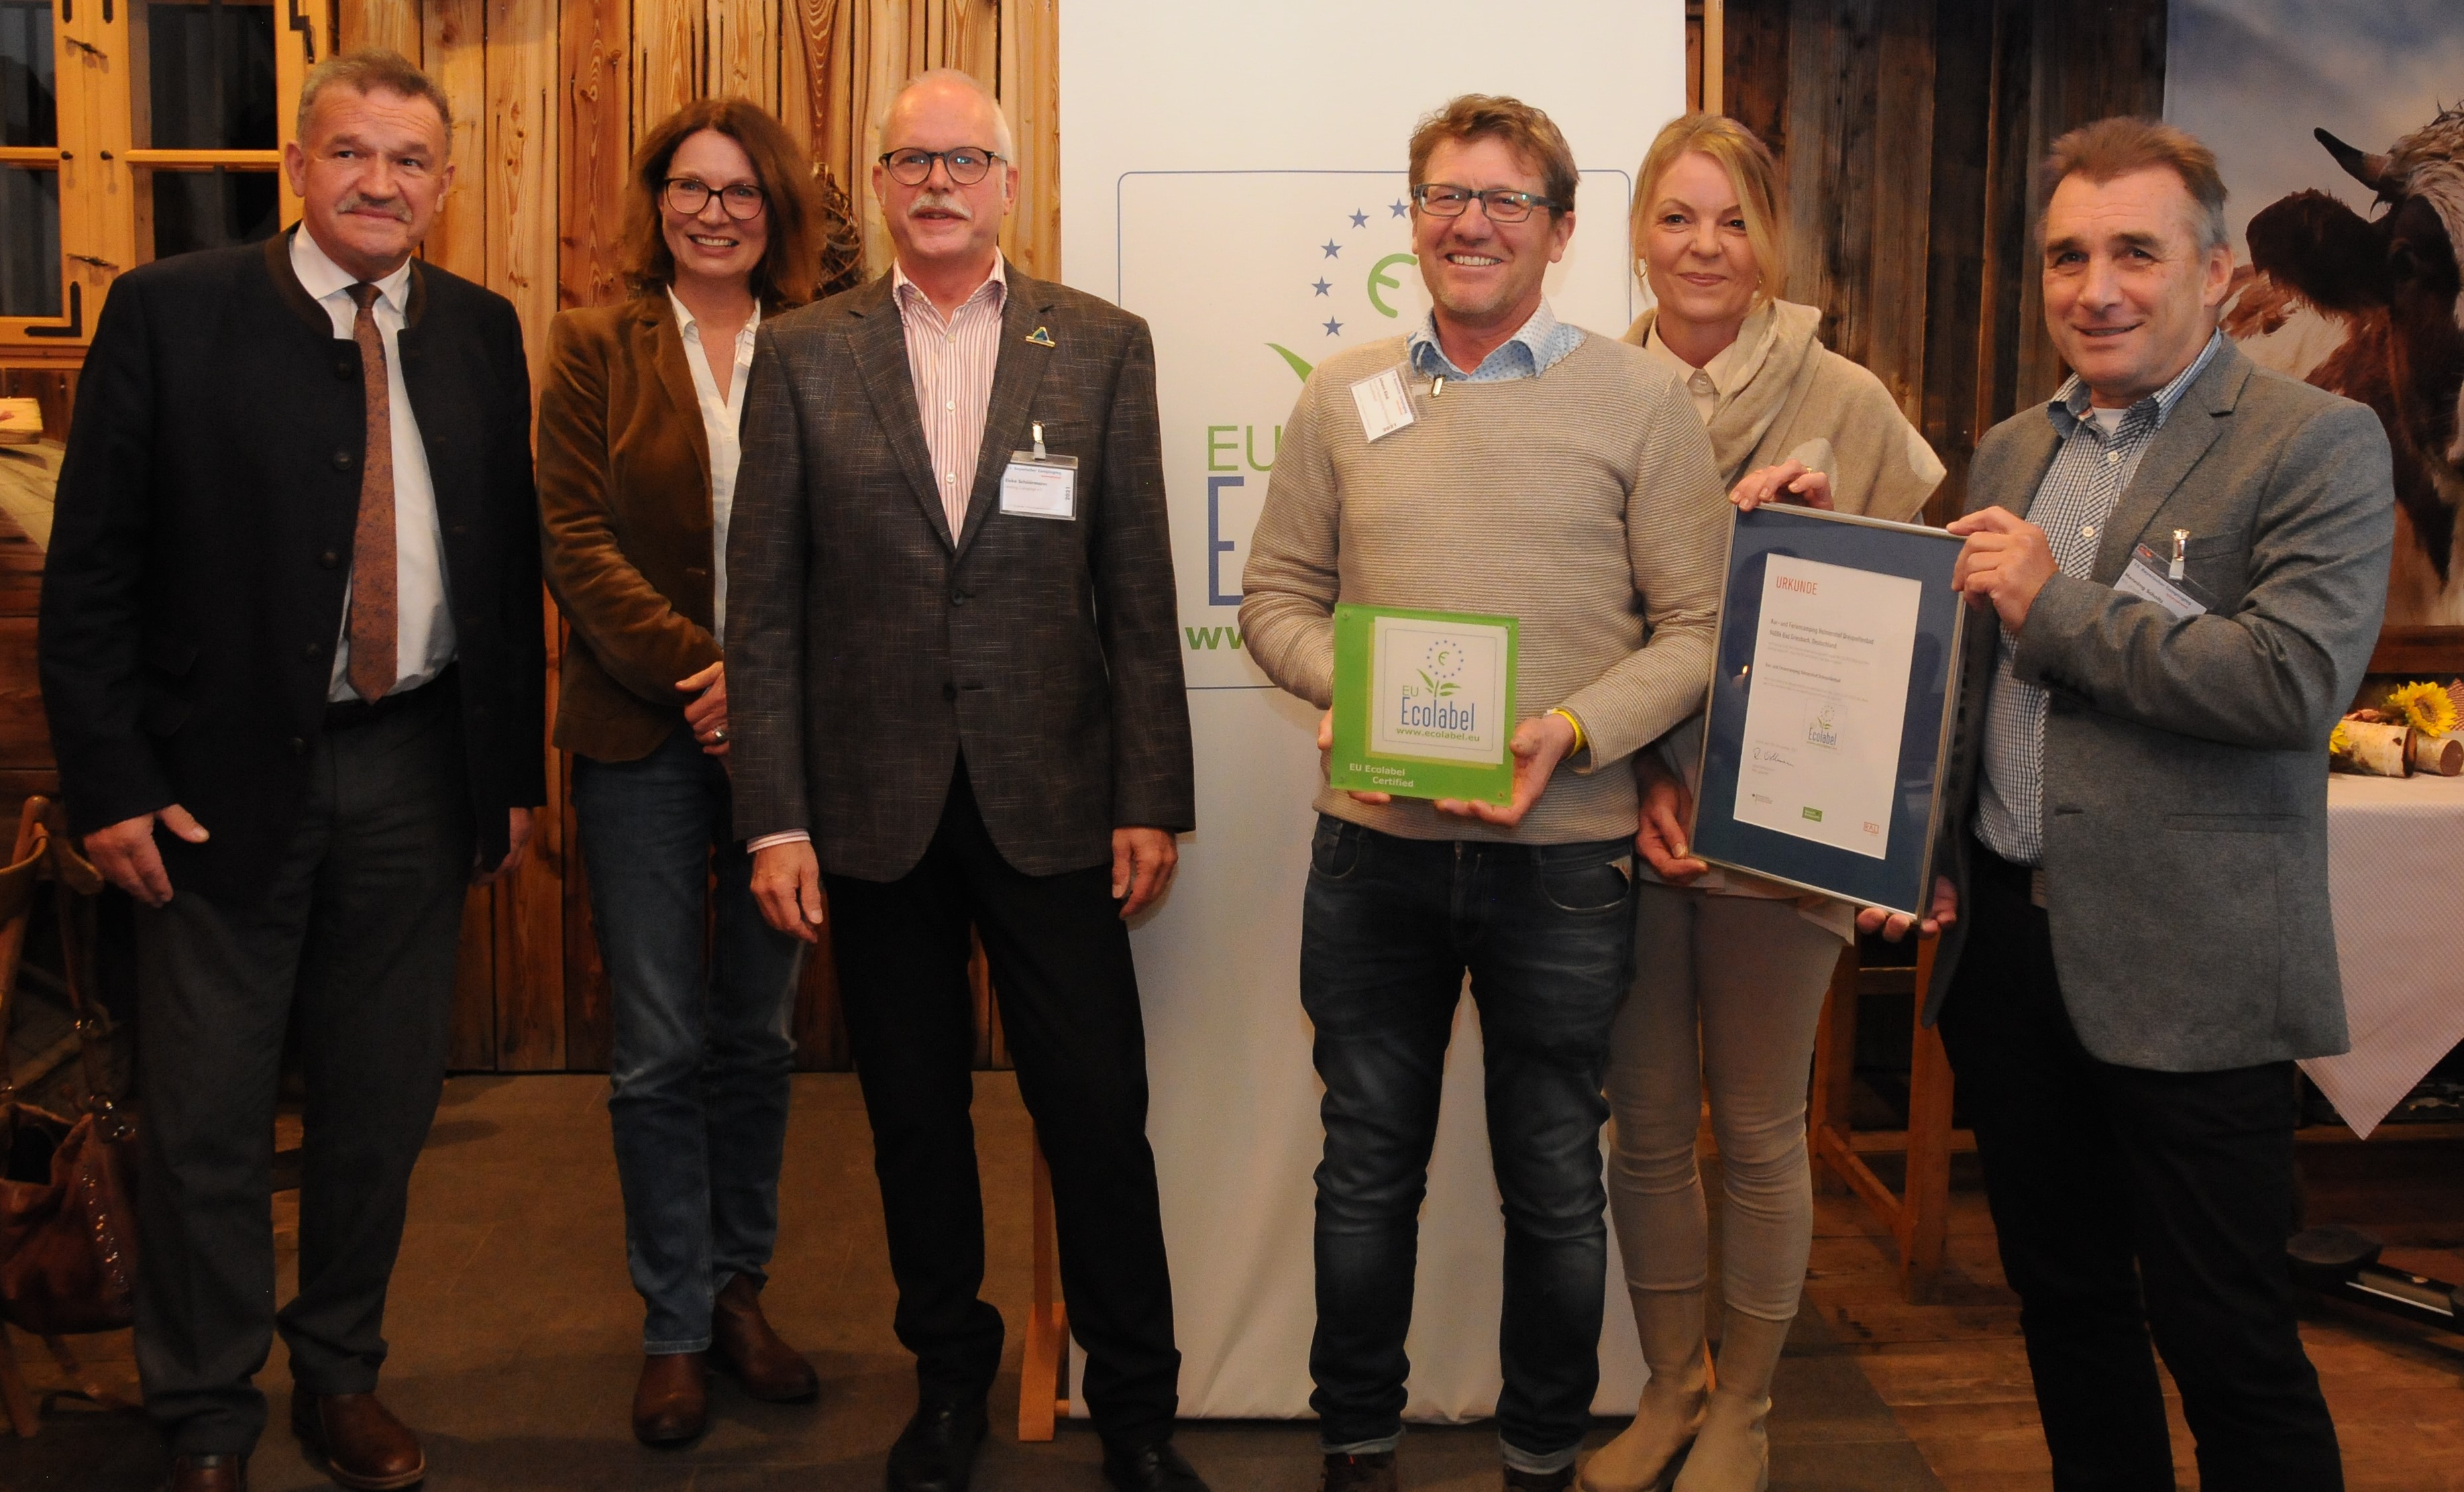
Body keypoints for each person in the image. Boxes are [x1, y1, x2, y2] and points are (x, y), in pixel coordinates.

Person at [36, 49, 543, 1492]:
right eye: (351, 152)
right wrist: (113, 783)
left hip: (416, 770)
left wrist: (502, 773)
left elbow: (503, 574)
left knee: (380, 1111)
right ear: (298, 168)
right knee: (205, 1115)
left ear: (443, 189)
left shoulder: (480, 333)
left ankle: (341, 1376)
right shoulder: (168, 317)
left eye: (410, 161)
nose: (380, 182)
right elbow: (92, 584)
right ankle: (203, 1406)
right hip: (214, 789)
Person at [1874, 116, 2390, 1491]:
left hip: (2194, 967)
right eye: (2066, 256)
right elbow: (1966, 686)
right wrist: (1917, 850)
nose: (2094, 288)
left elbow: (2290, 683)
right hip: (2010, 960)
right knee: (2071, 1314)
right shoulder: (2005, 448)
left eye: (2135, 254)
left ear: (2216, 273)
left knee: (2229, 1342)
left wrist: (2061, 606)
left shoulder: (2317, 442)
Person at [1240, 94, 1728, 1492]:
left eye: (1507, 201)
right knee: (1366, 1169)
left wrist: (1570, 732)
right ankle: (1356, 1451)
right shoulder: (1342, 395)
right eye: (1446, 196)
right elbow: (1275, 597)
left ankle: (1536, 1460)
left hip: (1565, 862)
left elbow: (1693, 630)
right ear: (1414, 221)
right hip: (1374, 855)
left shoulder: (1639, 402)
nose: (1470, 222)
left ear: (1563, 232)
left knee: (1557, 1181)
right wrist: (1338, 699)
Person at [725, 68, 1203, 1492]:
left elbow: (1139, 583)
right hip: (869, 813)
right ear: (877, 186)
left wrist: (1150, 794)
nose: (937, 182)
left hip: (1054, 798)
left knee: (1097, 1113)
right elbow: (764, 609)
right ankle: (947, 1383)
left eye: (965, 160)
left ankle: (1139, 1410)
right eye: (911, 160)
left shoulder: (1102, 347)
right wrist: (776, 815)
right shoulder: (804, 354)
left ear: (1008, 183)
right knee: (914, 1118)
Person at [1583, 113, 1943, 1492]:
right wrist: (1633, 779)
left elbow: (1909, 621)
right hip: (1629, 817)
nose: (1704, 248)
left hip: (1784, 832)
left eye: (1732, 220)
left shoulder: (1842, 397)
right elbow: (1567, 613)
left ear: (1771, 240)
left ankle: (1751, 1406)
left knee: (1761, 1123)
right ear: (1636, 235)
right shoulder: (1588, 391)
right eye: (1677, 218)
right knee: (1648, 1123)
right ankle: (1673, 1389)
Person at [534, 97, 827, 1448]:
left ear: (778, 211)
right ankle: (669, 1326)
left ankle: (736, 1290)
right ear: (658, 200)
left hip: (790, 746)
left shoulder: (824, 347)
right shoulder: (595, 343)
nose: (714, 212)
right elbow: (573, 533)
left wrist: (763, 696)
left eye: (742, 192)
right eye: (690, 187)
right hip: (642, 738)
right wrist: (703, 675)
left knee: (755, 1038)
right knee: (655, 1047)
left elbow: (855, 537)